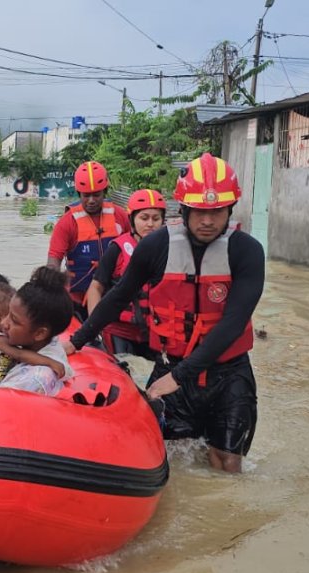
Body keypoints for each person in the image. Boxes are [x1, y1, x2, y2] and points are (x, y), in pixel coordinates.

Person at [63, 153, 264, 474]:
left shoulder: (247, 251)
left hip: (228, 375)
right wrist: (77, 340)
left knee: (227, 463)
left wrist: (177, 378)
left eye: (216, 212)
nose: (208, 221)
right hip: (172, 365)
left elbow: (232, 324)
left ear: (230, 210)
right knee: (162, 460)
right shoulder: (156, 247)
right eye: (199, 212)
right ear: (183, 209)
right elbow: (117, 297)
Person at [85, 188, 167, 357]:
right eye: (144, 218)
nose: (150, 224)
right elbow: (96, 287)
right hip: (119, 332)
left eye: (156, 218)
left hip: (155, 333)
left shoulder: (169, 250)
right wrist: (94, 326)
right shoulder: (117, 249)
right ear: (132, 219)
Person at [45, 161, 131, 312]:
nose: (91, 201)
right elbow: (53, 261)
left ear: (105, 192)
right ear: (79, 194)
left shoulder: (120, 216)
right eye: (86, 196)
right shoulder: (67, 223)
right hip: (77, 299)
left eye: (97, 195)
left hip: (114, 295)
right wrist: (50, 291)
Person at [0, 267, 75, 396]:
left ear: (40, 333)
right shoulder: (50, 344)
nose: (3, 323)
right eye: (8, 314)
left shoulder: (30, 382)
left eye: (14, 320)